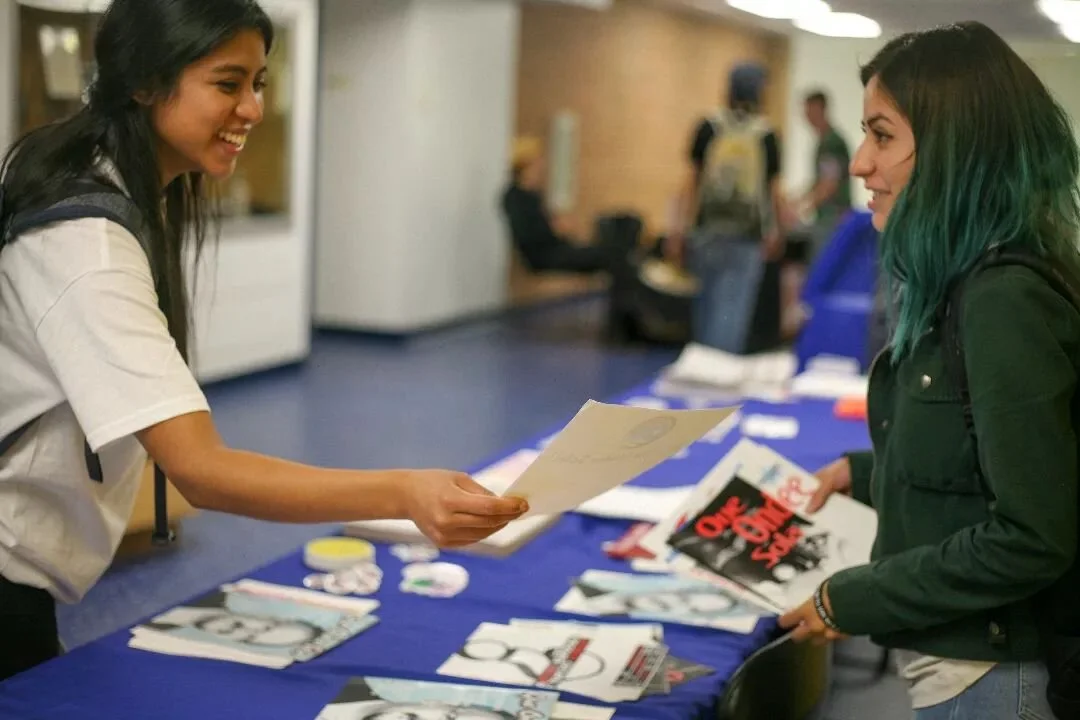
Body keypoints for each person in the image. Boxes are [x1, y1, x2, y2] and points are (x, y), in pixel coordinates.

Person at [0, 0, 527, 682]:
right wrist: (404, 492)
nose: (251, 109)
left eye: (258, 83)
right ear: (143, 81)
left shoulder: (122, 195)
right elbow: (202, 470)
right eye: (228, 83)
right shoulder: (87, 245)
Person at [777, 21, 1080, 719]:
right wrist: (870, 472)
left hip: (994, 675)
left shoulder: (1004, 298)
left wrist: (850, 597)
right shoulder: (967, 277)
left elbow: (1033, 535)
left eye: (882, 136)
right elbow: (982, 452)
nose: (859, 163)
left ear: (954, 150)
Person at [499, 136, 614, 274]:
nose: (541, 167)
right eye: (537, 162)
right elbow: (529, 234)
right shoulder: (516, 198)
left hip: (553, 249)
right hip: (543, 256)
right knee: (605, 256)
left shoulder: (530, 195)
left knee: (606, 251)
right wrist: (556, 228)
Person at [797, 90, 852, 259]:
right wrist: (796, 200)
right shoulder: (824, 141)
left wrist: (801, 209)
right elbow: (819, 181)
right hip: (828, 217)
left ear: (820, 108)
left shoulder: (831, 142)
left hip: (833, 217)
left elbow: (830, 183)